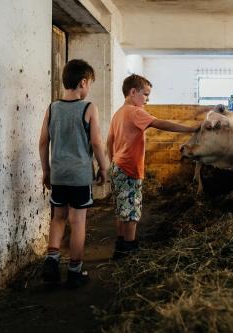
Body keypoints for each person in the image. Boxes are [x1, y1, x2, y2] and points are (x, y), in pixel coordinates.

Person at [107, 74, 199, 259]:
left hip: (117, 166)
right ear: (133, 92)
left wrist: (113, 161)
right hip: (129, 168)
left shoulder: (118, 113)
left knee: (121, 209)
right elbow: (160, 124)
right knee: (132, 210)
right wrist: (191, 128)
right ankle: (129, 249)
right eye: (145, 94)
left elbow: (109, 141)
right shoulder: (135, 111)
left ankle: (120, 245)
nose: (147, 100)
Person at [39, 59, 108, 287]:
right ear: (83, 82)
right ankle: (75, 271)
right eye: (89, 84)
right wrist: (104, 168)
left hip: (58, 175)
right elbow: (97, 143)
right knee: (78, 222)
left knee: (58, 218)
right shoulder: (89, 108)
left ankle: (52, 259)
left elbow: (42, 142)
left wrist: (46, 170)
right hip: (79, 177)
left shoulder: (52, 108)